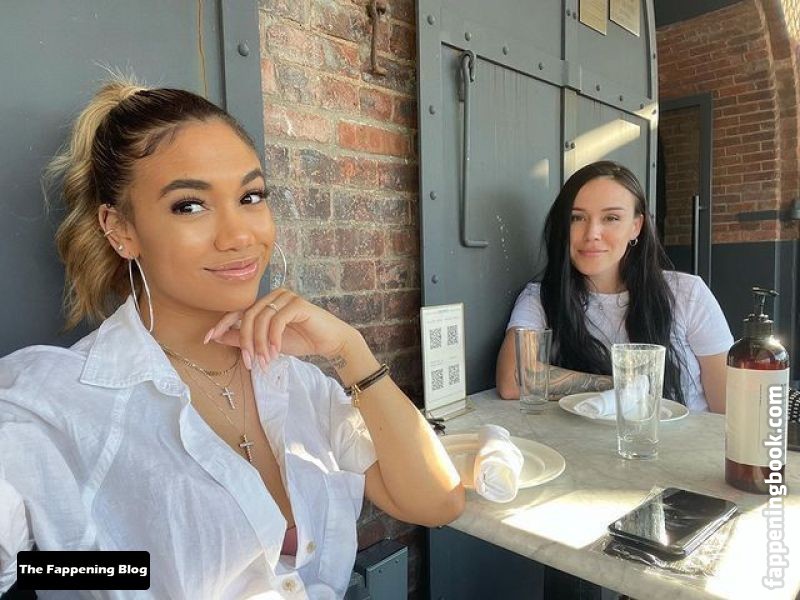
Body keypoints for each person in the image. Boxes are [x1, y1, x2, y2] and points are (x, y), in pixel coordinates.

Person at [0, 80, 464, 599]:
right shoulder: (53, 404)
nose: (240, 235)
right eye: (189, 206)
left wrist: (350, 351)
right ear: (120, 229)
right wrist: (109, 573)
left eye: (250, 197)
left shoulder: (297, 383)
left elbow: (436, 502)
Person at [496, 161, 732, 413]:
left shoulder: (688, 293)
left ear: (636, 226)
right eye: (577, 217)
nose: (592, 233)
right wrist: (627, 386)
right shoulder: (541, 298)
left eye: (611, 218)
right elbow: (513, 379)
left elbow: (728, 408)